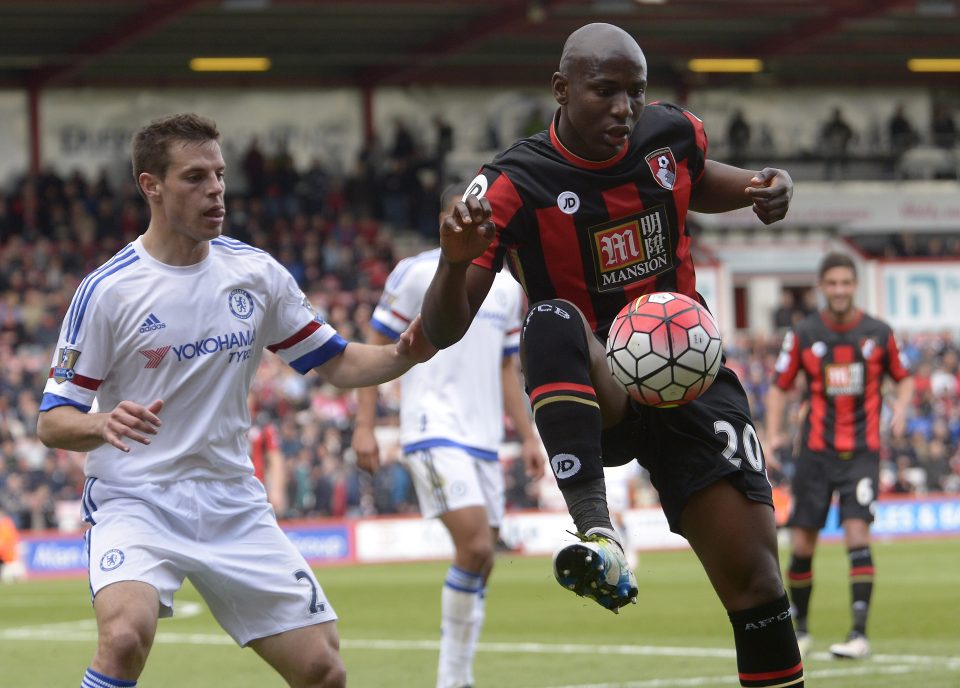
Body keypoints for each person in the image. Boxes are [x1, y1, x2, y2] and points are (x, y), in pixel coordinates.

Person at [420, 22, 803, 688]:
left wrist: (758, 188)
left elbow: (698, 177)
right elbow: (443, 329)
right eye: (605, 92)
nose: (624, 110)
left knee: (758, 584)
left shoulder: (671, 134)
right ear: (562, 89)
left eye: (635, 92)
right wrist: (454, 266)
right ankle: (598, 532)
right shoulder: (512, 184)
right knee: (549, 318)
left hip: (688, 372)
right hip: (597, 383)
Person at [35, 113, 436, 688]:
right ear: (151, 185)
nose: (216, 189)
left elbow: (337, 361)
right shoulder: (107, 290)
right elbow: (53, 422)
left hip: (231, 500)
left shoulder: (255, 273)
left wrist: (404, 355)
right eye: (194, 177)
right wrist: (100, 424)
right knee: (124, 636)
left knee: (324, 670)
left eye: (219, 175)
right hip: (137, 498)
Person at [352, 182, 546, 688]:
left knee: (482, 559)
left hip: (482, 438)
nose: (474, 223)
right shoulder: (416, 273)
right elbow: (376, 340)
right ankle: (452, 678)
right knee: (477, 546)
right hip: (431, 426)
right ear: (444, 220)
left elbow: (508, 371)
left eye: (483, 216)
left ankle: (459, 675)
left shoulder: (506, 289)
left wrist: (527, 437)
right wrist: (366, 426)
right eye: (461, 214)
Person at [765, 251, 912, 660]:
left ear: (855, 285)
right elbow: (779, 385)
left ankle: (858, 634)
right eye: (832, 283)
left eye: (846, 283)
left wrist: (900, 408)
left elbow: (903, 380)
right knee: (803, 545)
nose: (840, 290)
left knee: (857, 535)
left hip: (862, 453)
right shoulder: (805, 332)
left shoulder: (879, 333)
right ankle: (803, 630)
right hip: (814, 453)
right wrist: (774, 432)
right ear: (821, 287)